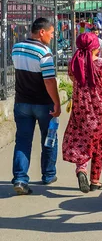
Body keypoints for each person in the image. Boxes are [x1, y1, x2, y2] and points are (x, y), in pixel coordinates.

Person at [63, 33, 102, 193]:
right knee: (100, 143)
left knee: (82, 140)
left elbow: (75, 80)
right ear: (97, 47)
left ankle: (81, 169)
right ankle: (95, 180)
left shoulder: (74, 64)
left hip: (81, 109)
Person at [11, 18, 61, 195]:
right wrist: (57, 103)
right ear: (42, 32)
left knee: (23, 141)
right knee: (49, 139)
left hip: (21, 103)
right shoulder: (44, 52)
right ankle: (48, 174)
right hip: (43, 104)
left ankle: (20, 179)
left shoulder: (16, 47)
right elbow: (49, 81)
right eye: (51, 33)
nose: (52, 36)